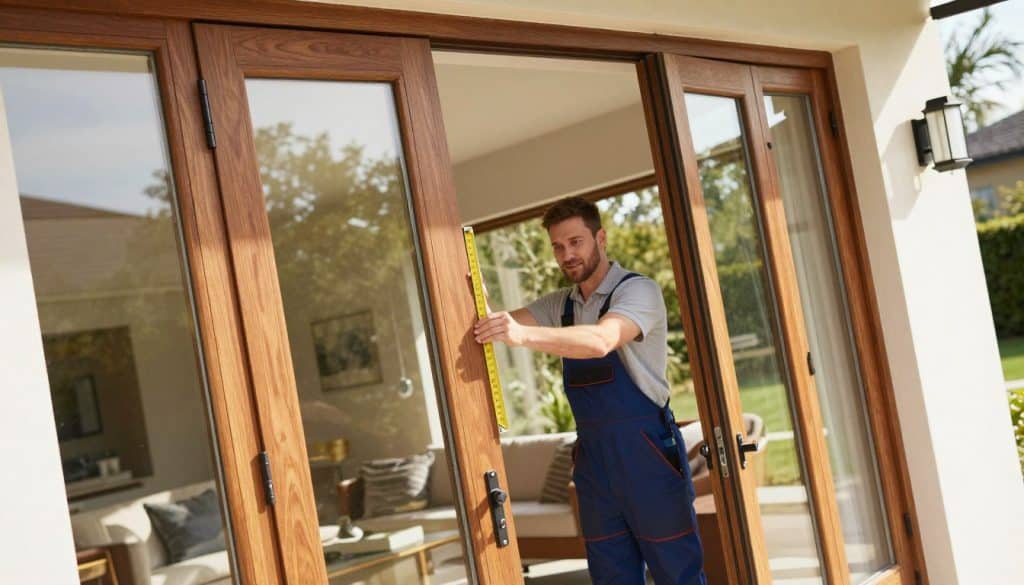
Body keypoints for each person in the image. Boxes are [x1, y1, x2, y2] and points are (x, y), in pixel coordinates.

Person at [473, 196, 706, 585]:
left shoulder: (638, 292)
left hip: (646, 454)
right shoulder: (560, 305)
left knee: (676, 571)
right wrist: (469, 282)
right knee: (611, 575)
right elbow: (495, 327)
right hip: (595, 464)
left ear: (600, 238)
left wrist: (523, 335)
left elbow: (601, 340)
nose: (567, 254)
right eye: (558, 246)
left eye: (576, 242)